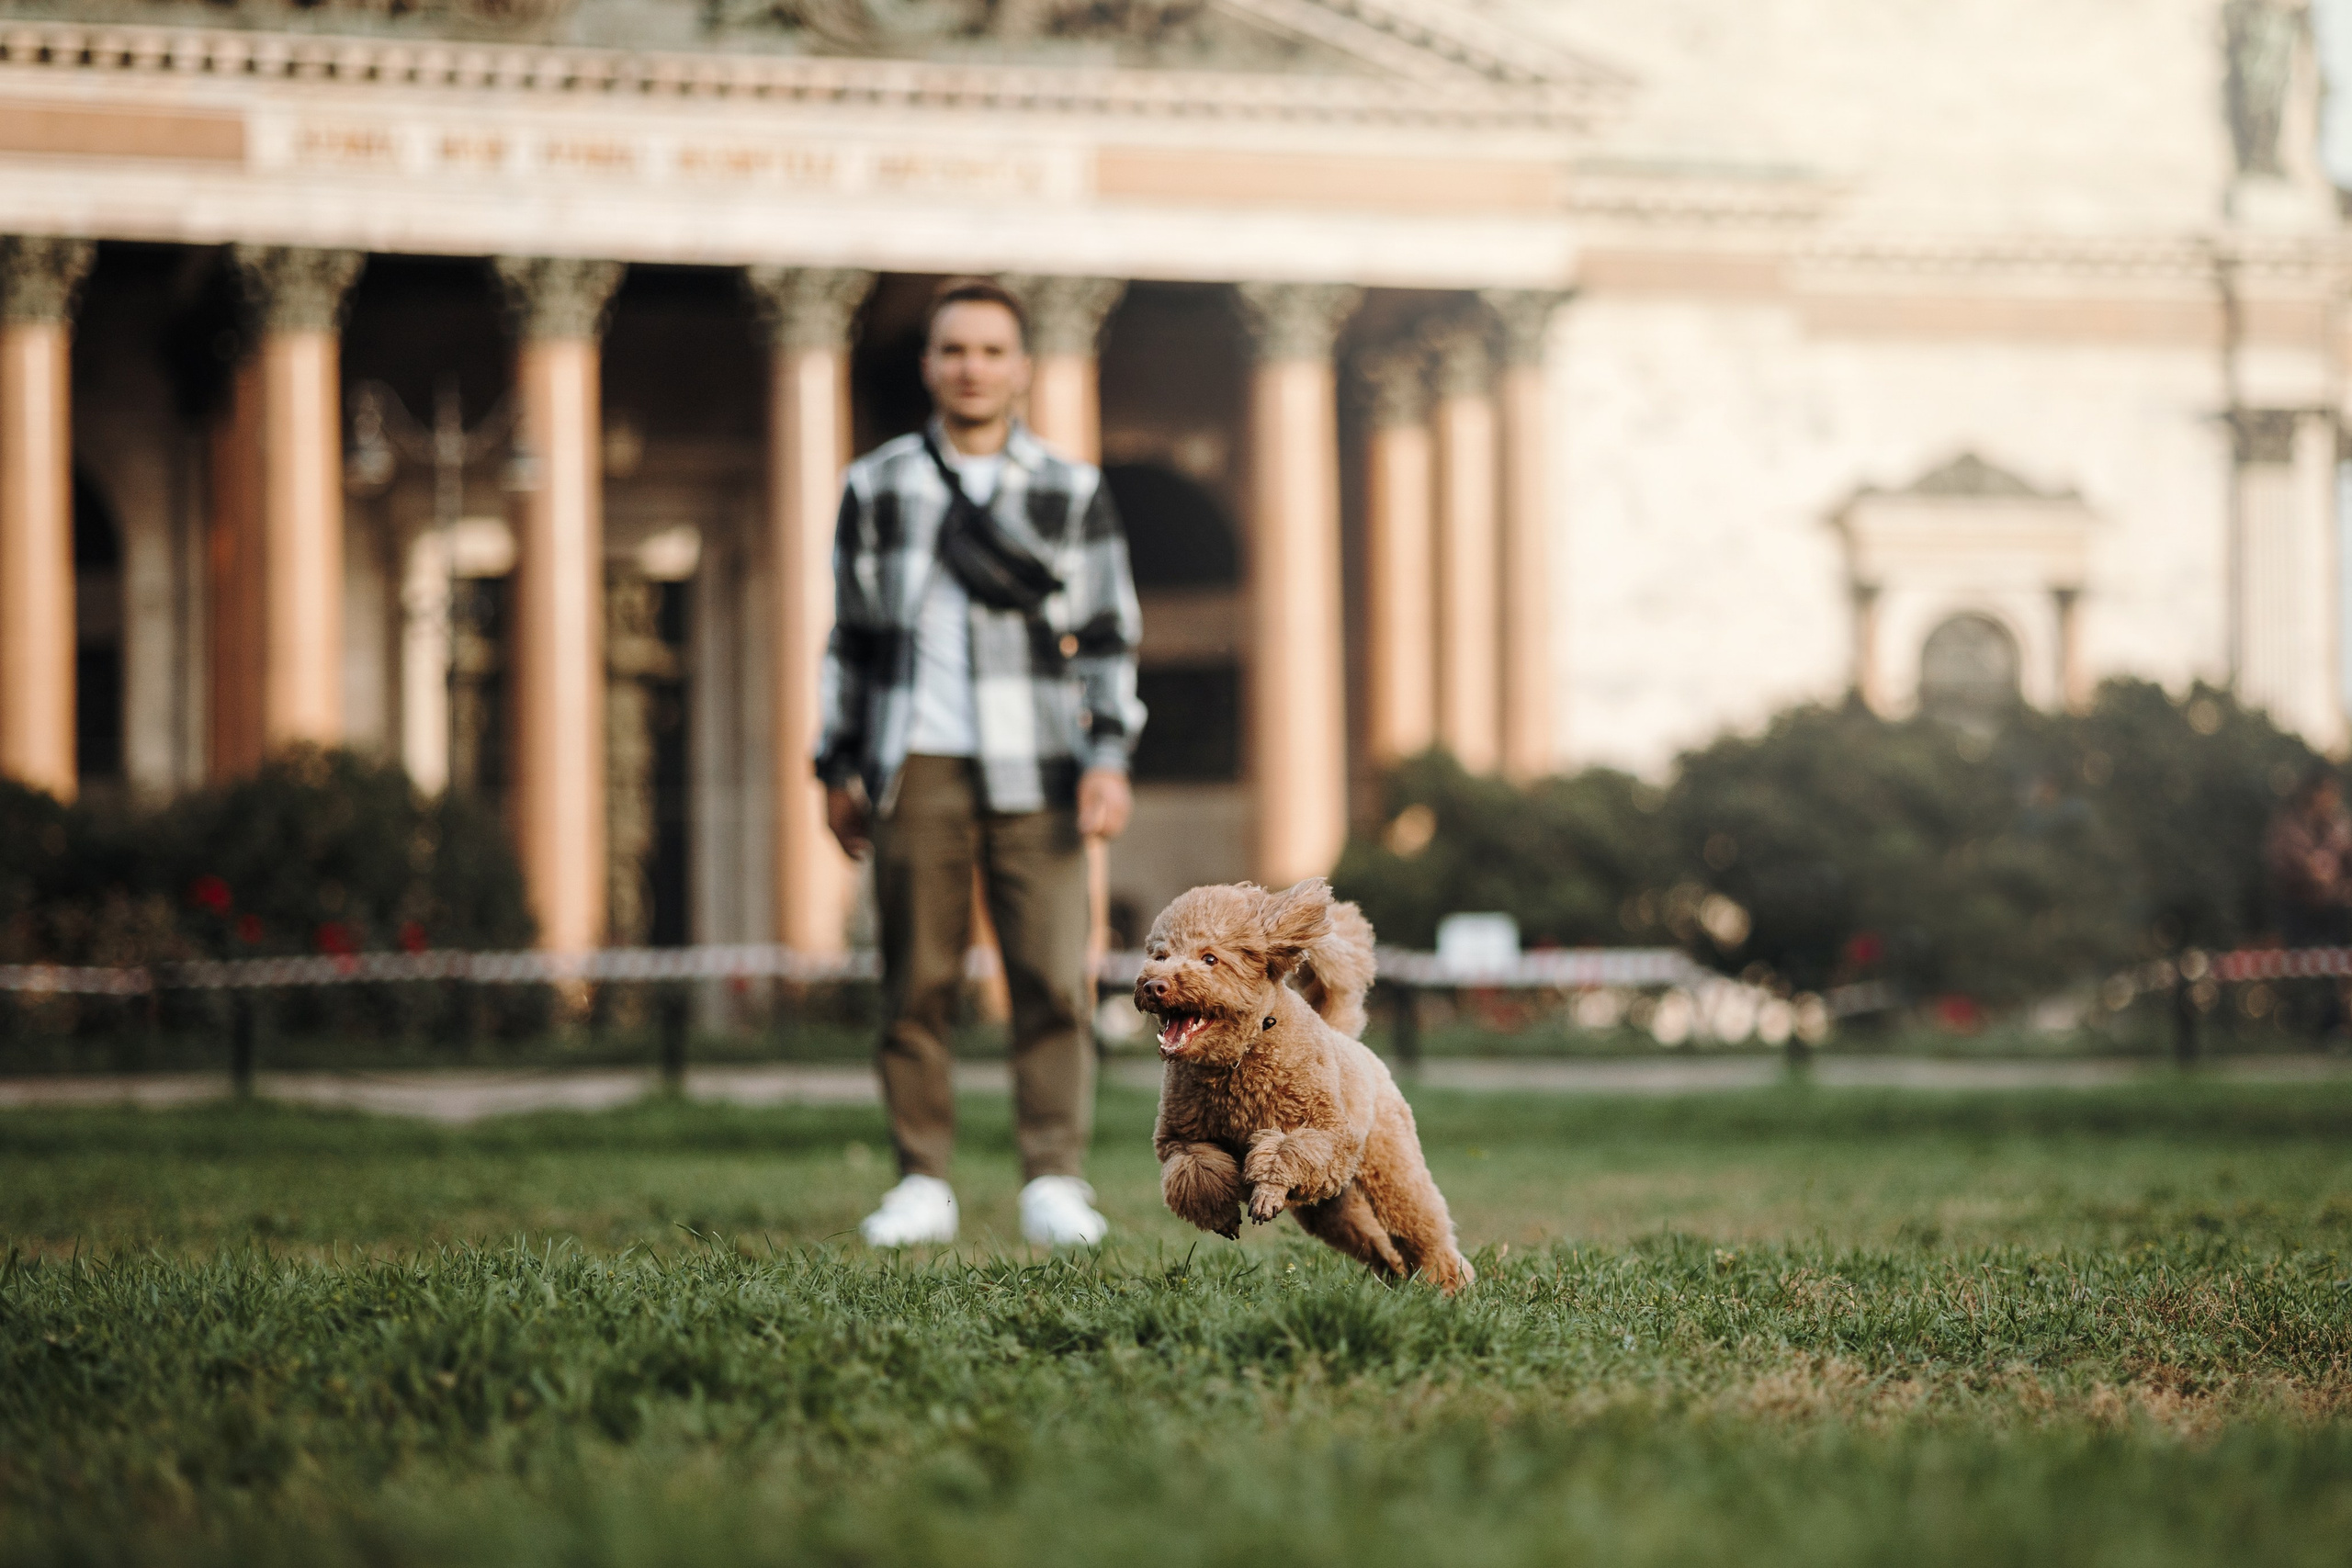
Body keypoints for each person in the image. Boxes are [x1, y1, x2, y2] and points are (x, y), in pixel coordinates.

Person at [816, 278, 1146, 1247]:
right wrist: (836, 766)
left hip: (1039, 761)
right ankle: (922, 1179)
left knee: (1051, 975)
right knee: (912, 979)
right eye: (954, 350)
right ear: (928, 365)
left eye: (992, 351)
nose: (972, 368)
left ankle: (1054, 1178)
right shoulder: (877, 485)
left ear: (1021, 368)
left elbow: (1109, 634)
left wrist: (1108, 755)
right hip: (912, 758)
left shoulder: (1068, 488)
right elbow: (850, 639)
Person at [2264, 764, 2352, 1043]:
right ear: (2313, 794)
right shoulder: (2288, 827)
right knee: (2307, 966)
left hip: (2337, 909)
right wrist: (2309, 871)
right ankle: (2304, 1028)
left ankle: (2335, 1027)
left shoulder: (2340, 827)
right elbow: (2279, 867)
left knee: (2338, 964)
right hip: (2299, 909)